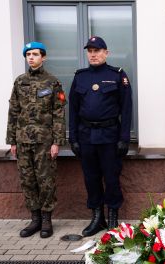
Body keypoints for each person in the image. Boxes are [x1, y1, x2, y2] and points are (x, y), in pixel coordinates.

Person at [69, 36, 132, 237]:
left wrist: (124, 138)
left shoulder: (117, 76)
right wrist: (73, 138)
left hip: (110, 136)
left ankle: (113, 217)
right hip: (86, 136)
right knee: (91, 178)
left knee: (111, 177)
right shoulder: (80, 77)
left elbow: (127, 108)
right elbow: (73, 110)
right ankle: (97, 218)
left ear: (106, 53)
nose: (93, 54)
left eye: (97, 50)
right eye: (90, 51)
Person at [6, 41, 66, 238]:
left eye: (35, 54)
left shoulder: (52, 82)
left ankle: (47, 220)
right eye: (28, 54)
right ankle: (35, 219)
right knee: (28, 181)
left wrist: (57, 142)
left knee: (46, 181)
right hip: (23, 141)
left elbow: (59, 113)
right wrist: (12, 141)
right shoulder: (19, 81)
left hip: (44, 142)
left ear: (44, 57)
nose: (31, 57)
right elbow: (13, 111)